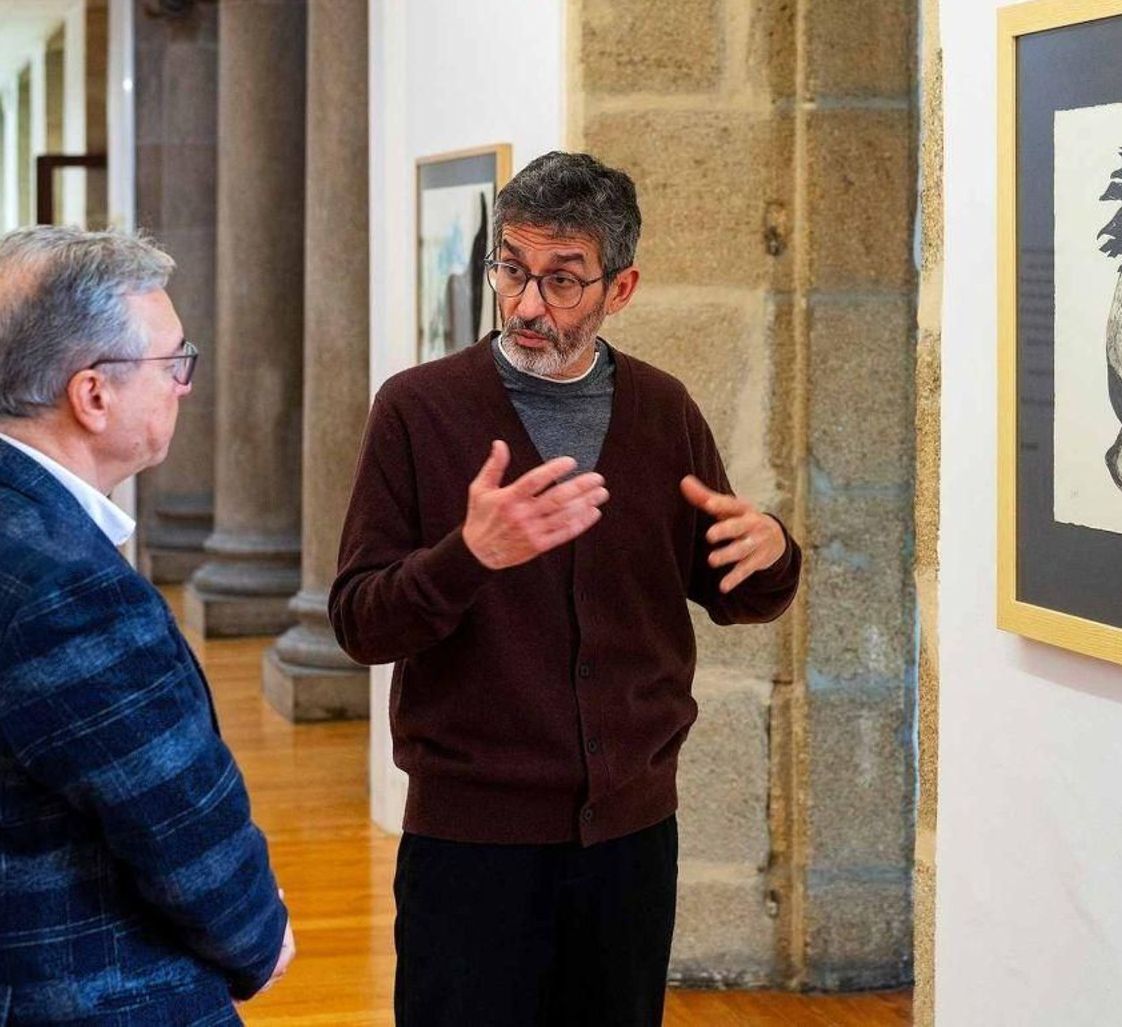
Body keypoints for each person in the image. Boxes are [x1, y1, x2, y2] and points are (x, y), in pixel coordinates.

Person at [330, 151, 803, 1026]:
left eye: (562, 281)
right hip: (470, 839)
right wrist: (470, 554)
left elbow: (737, 592)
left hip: (629, 837)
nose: (526, 307)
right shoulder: (417, 410)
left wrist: (771, 551)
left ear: (620, 289)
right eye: (510, 270)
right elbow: (359, 622)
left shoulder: (663, 412)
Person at [0, 226, 294, 1025]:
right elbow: (178, 818)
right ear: (93, 394)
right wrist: (261, 934)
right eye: (173, 361)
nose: (184, 384)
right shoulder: (71, 591)